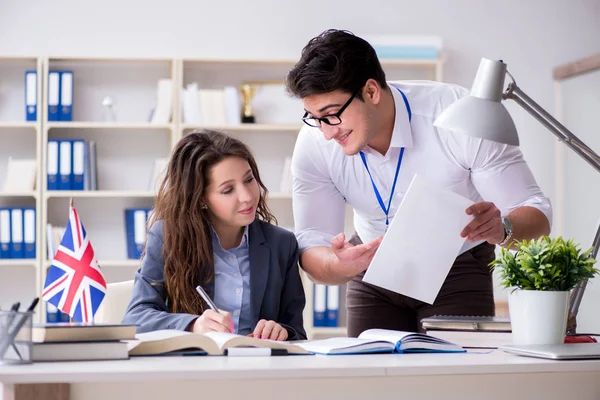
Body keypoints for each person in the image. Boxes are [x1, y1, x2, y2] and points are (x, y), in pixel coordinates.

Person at [285, 29, 552, 336]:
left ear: (371, 92)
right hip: (372, 266)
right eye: (314, 117)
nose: (326, 132)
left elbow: (537, 214)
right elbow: (311, 243)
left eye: (331, 115)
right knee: (369, 375)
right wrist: (339, 266)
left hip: (457, 263)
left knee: (452, 379)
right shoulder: (315, 142)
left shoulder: (459, 115)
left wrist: (503, 228)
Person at [122, 129, 306, 341]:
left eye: (249, 180)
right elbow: (135, 319)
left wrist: (282, 331)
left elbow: (297, 333)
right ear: (200, 199)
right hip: (194, 367)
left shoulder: (281, 244)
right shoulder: (166, 237)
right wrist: (193, 325)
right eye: (228, 190)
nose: (247, 197)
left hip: (257, 367)